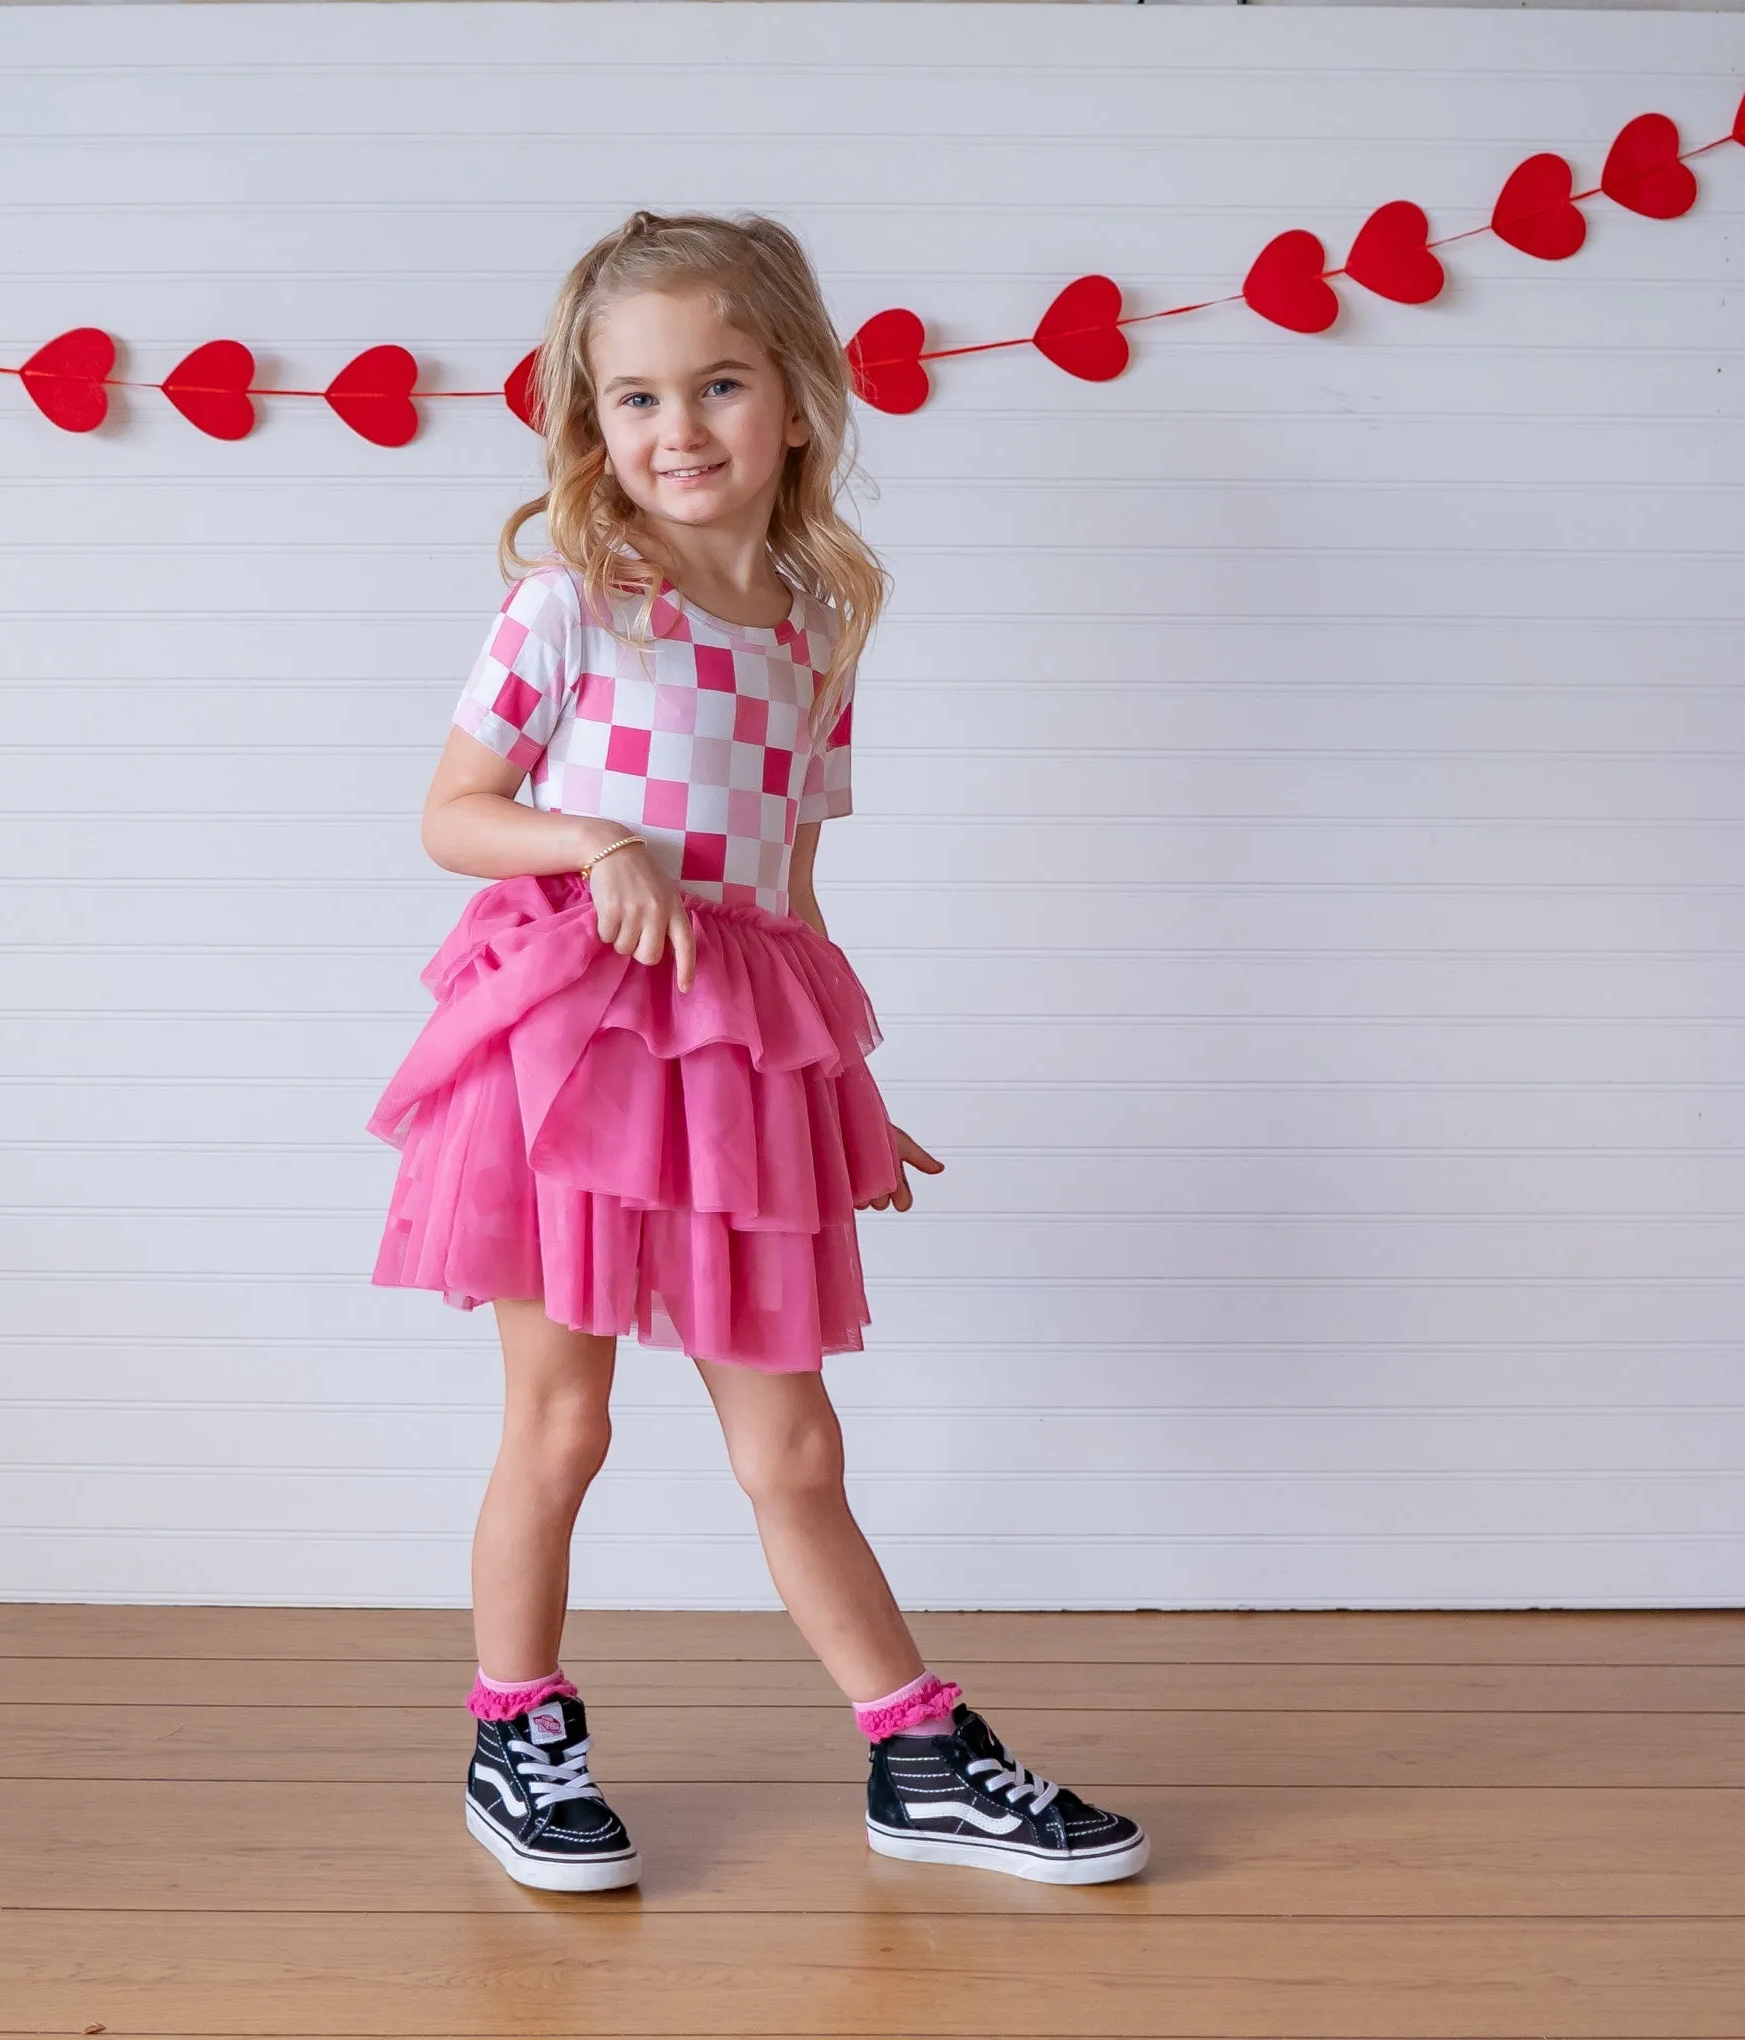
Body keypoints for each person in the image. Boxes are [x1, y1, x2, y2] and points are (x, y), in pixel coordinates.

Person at [367, 210, 1148, 1895]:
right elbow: (453, 816)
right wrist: (594, 846)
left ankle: (919, 1754)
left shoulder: (814, 626)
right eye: (634, 399)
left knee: (793, 1443)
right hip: (566, 1048)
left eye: (717, 384)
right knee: (560, 1426)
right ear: (591, 425)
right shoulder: (570, 603)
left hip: (728, 1058)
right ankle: (519, 1731)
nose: (677, 430)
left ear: (797, 397)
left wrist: (849, 1092)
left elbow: (789, 883)